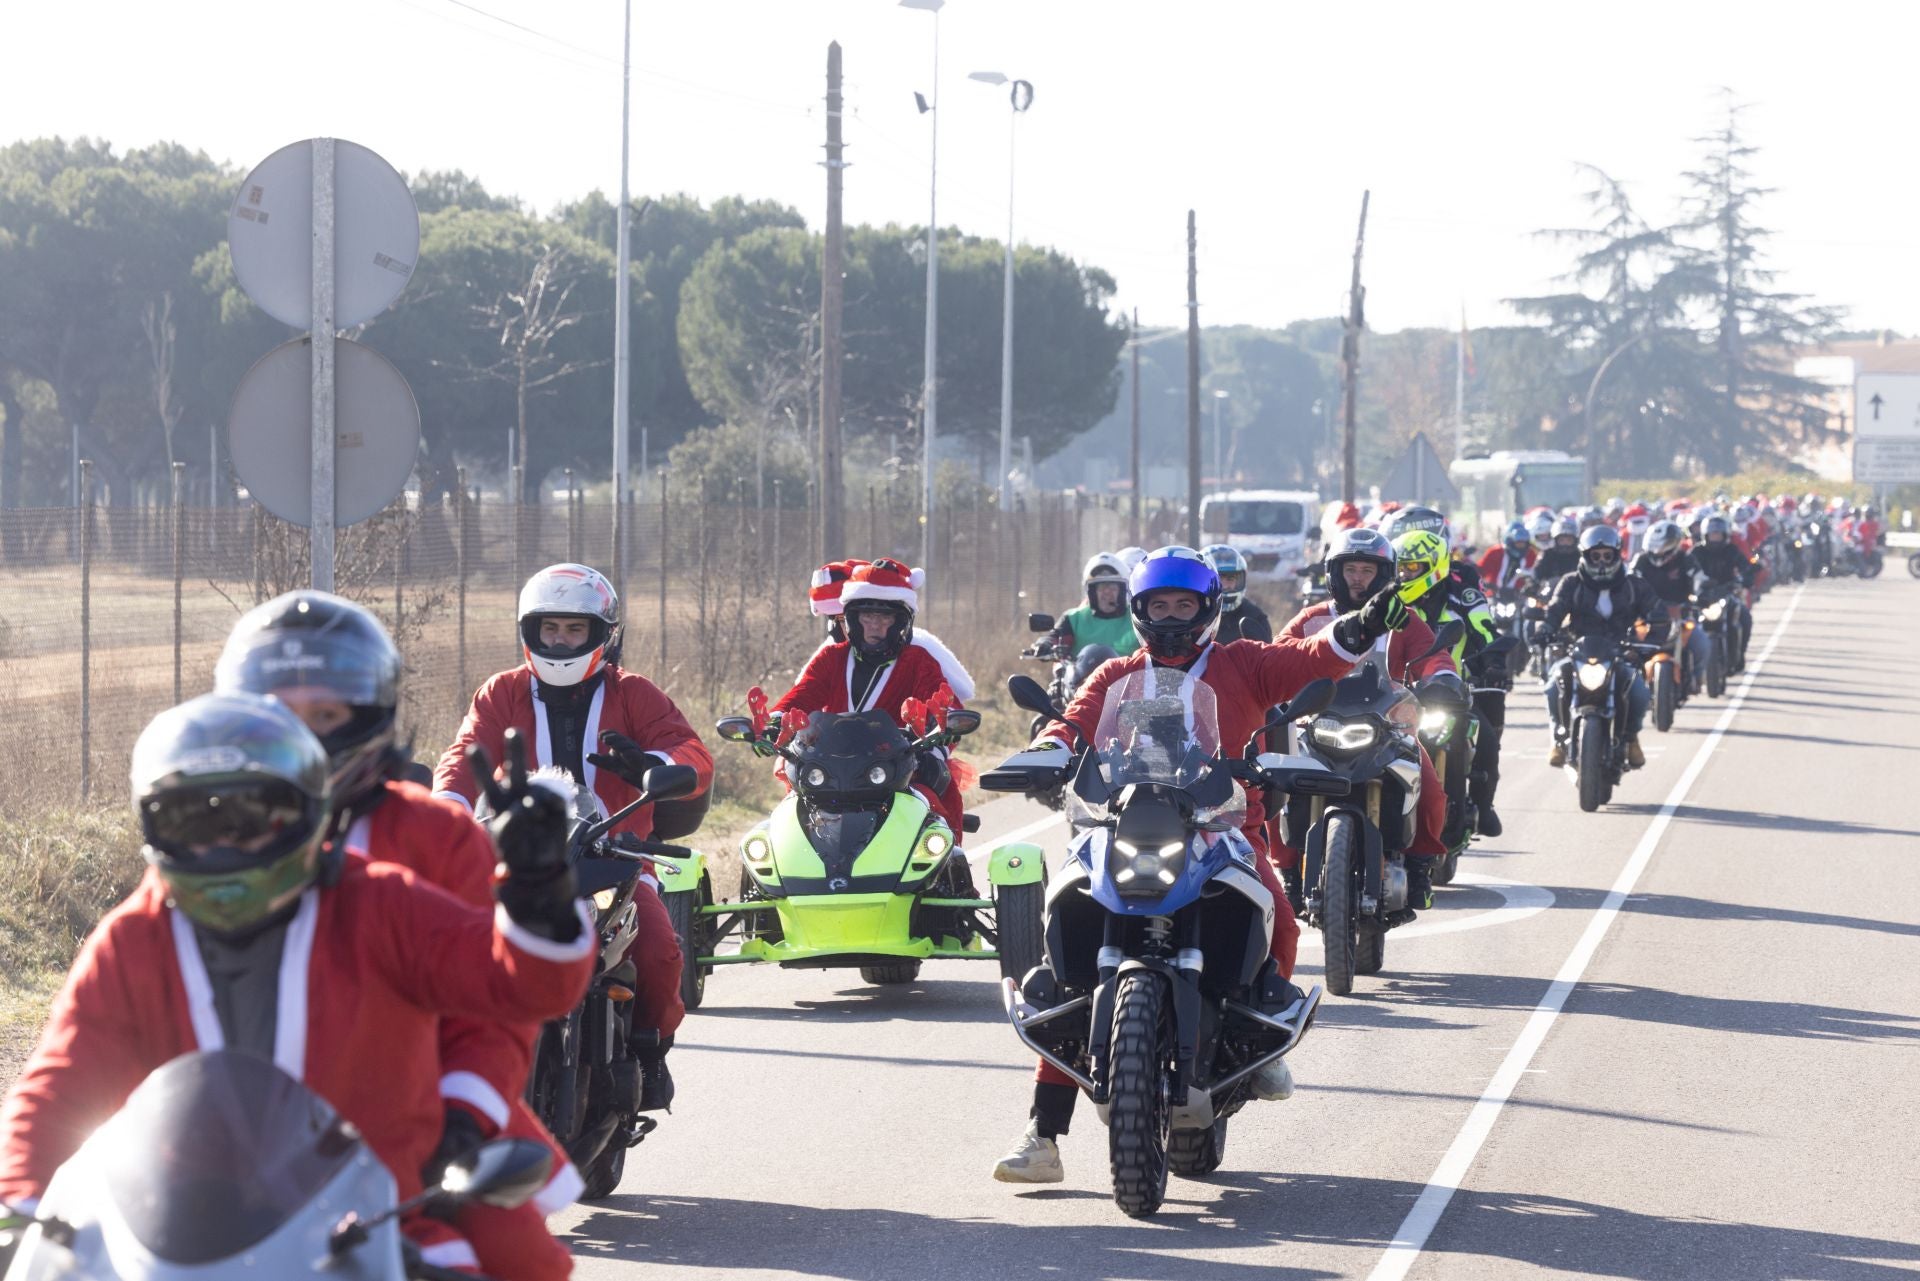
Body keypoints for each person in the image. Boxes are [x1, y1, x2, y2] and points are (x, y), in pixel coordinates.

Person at [0, 694, 592, 1277]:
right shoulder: (133, 937)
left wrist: (540, 893)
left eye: (252, 817)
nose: (223, 844)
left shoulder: (379, 901)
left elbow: (519, 985)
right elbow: (57, 1086)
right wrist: (15, 1212)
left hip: (377, 1226)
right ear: (154, 828)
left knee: (516, 1264)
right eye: (190, 820)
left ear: (307, 814)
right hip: (169, 1245)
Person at [991, 546, 1407, 1184]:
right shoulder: (1114, 675)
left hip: (1223, 824)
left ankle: (1261, 1034)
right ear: (1140, 610)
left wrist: (1363, 626)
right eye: (1160, 604)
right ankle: (1042, 1133)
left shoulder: (1244, 663)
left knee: (1282, 918)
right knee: (1068, 955)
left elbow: (1312, 659)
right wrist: (1047, 750)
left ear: (1208, 609)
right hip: (1123, 822)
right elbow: (1073, 724)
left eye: (1185, 604)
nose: (1173, 615)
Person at [210, 591, 592, 1269]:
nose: (300, 734)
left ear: (369, 718)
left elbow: (502, 1001)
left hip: (416, 1117)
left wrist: (462, 1115)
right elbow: (95, 1047)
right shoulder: (200, 848)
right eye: (277, 713)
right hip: (233, 1141)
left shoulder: (438, 838)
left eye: (324, 714)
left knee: (526, 1262)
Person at [434, 562, 711, 1087]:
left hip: (616, 856)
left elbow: (693, 753)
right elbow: (464, 757)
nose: (561, 641)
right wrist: (446, 808)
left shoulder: (635, 693)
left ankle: (651, 1054)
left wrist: (652, 765)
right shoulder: (501, 692)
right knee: (454, 946)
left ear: (602, 634)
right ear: (530, 632)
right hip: (517, 856)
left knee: (657, 951)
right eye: (551, 629)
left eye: (575, 629)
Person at [1273, 527, 1454, 908]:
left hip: (1386, 727)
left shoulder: (1400, 618)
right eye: (1350, 569)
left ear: (1383, 575)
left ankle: (1420, 869)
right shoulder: (1311, 619)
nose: (1357, 578)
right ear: (1334, 574)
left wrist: (1442, 679)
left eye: (1366, 571)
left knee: (1431, 787)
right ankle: (1288, 873)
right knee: (1276, 785)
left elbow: (1431, 654)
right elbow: (1278, 656)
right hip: (1318, 726)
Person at [771, 558, 966, 834]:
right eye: (867, 616)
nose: (875, 625)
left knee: (936, 806)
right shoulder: (832, 657)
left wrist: (942, 731)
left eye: (884, 617)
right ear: (852, 619)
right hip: (828, 769)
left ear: (900, 622)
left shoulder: (918, 660)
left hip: (896, 769)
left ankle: (946, 873)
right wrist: (774, 721)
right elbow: (802, 695)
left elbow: (943, 702)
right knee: (787, 819)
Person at [1392, 529, 1510, 838]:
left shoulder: (1463, 599)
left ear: (1434, 565)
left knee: (1486, 740)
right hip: (1393, 697)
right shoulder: (1388, 602)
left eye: (1412, 568)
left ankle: (1483, 807)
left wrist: (1494, 661)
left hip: (1452, 697)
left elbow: (1485, 632)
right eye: (1400, 568)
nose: (1404, 575)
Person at [1539, 526, 1664, 768]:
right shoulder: (1570, 583)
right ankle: (1558, 738)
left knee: (1640, 693)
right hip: (1577, 652)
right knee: (1553, 686)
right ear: (1585, 557)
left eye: (1607, 555)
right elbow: (1554, 612)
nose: (1602, 562)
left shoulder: (1633, 585)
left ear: (1618, 555)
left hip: (1620, 653)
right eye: (1595, 556)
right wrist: (1545, 630)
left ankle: (1630, 739)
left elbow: (1658, 615)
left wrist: (1646, 644)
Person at [810, 559, 977, 698]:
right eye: (841, 620)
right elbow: (804, 693)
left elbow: (952, 697)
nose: (871, 626)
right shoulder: (830, 655)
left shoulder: (917, 653)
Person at [1630, 519, 1710, 696]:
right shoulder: (1641, 561)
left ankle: (1695, 678)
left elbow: (1699, 579)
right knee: (1628, 647)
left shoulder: (1686, 559)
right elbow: (1628, 582)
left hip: (1680, 615)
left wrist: (1700, 595)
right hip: (1646, 617)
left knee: (1701, 642)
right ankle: (1629, 683)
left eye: (1663, 546)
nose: (1658, 552)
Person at [1691, 512, 1756, 669]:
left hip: (1727, 593)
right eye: (1712, 534)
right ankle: (1690, 665)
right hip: (1702, 596)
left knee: (1745, 618)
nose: (1715, 537)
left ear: (1725, 535)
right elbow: (1685, 571)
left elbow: (1746, 567)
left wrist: (1744, 580)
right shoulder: (1696, 552)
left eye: (1718, 534)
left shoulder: (1731, 550)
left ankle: (1739, 655)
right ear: (1705, 535)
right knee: (1686, 625)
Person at [1044, 552, 1141, 657]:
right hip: (1083, 673)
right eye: (1101, 587)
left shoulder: (1137, 616)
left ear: (1122, 590)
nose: (1107, 592)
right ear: (1092, 592)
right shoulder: (1073, 619)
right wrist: (1044, 644)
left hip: (1129, 673)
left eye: (1113, 586)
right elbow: (1054, 638)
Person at [1204, 543, 1273, 642]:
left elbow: (1267, 655)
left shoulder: (1255, 617)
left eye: (1230, 579)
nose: (1225, 586)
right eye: (1219, 579)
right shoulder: (1191, 614)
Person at [1477, 520, 1537, 597]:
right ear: (1510, 542)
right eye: (1518, 543)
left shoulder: (1531, 555)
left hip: (1519, 597)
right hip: (1494, 596)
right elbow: (1480, 571)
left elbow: (1535, 575)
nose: (1521, 547)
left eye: (1523, 543)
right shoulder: (1495, 552)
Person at [1534, 515, 1582, 588]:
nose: (1565, 544)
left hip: (1575, 595)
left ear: (1575, 540)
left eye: (1569, 540)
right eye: (1562, 540)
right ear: (1556, 540)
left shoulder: (1580, 557)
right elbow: (1538, 577)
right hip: (1549, 595)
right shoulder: (1547, 555)